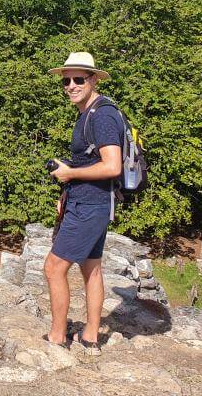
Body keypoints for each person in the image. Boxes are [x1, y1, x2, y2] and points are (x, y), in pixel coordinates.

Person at [44, 52, 123, 356]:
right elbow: (93, 160)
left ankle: (57, 335)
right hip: (89, 202)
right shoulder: (88, 112)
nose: (71, 85)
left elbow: (112, 165)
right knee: (91, 268)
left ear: (93, 80)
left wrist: (70, 173)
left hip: (91, 207)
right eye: (66, 80)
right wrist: (69, 188)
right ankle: (90, 336)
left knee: (53, 268)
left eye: (78, 79)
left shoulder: (101, 115)